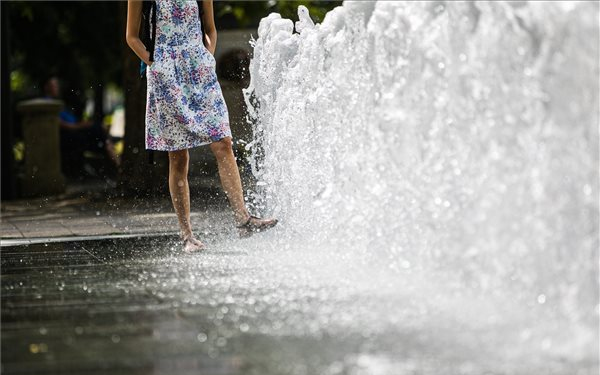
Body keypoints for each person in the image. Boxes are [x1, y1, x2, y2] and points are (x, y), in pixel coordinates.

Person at [126, 0, 278, 253]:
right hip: (166, 73)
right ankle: (187, 235)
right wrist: (155, 63)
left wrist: (207, 57)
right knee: (178, 156)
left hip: (200, 70)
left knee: (223, 141)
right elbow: (132, 37)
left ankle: (243, 219)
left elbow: (210, 28)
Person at [42, 76, 120, 176]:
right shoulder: (49, 104)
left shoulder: (58, 103)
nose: (56, 88)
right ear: (46, 87)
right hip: (71, 135)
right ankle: (117, 164)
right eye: (54, 85)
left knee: (101, 133)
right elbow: (64, 125)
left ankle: (115, 159)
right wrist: (83, 125)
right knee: (100, 133)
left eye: (57, 85)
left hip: (76, 131)